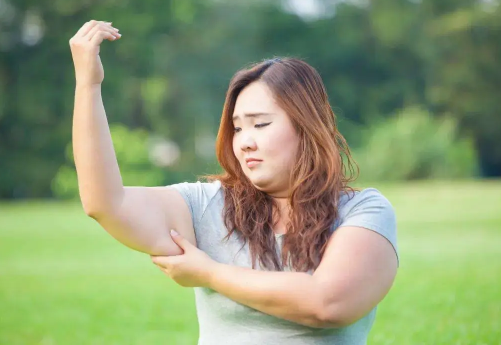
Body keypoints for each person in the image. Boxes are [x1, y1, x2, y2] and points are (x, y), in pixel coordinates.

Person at [70, 20, 399, 345]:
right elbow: (106, 204)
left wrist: (209, 273)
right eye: (238, 128)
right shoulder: (207, 205)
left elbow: (329, 304)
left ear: (307, 126)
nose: (244, 142)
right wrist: (88, 85)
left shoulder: (363, 212)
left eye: (260, 124)